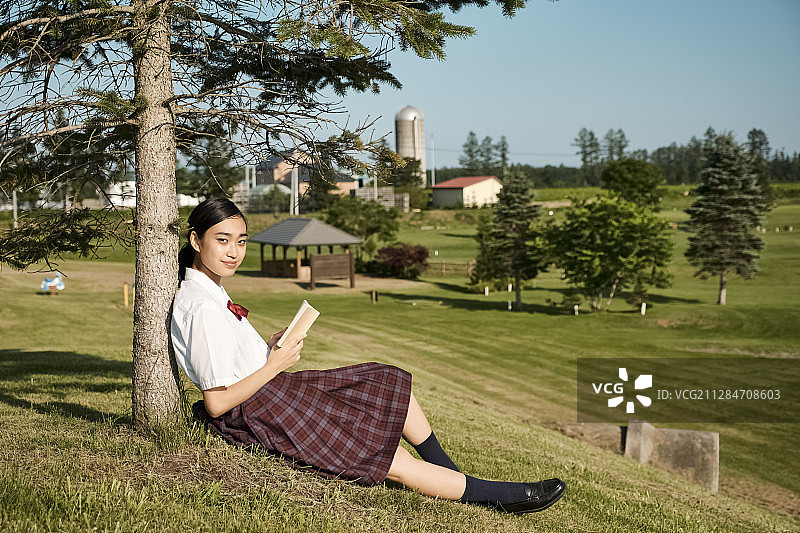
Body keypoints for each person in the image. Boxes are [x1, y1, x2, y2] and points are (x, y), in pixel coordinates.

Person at [170, 198, 566, 514]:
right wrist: (274, 364)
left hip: (272, 389)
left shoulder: (211, 290)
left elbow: (231, 359)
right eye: (222, 240)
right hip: (260, 410)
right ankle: (500, 495)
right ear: (195, 240)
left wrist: (269, 349)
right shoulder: (201, 307)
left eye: (240, 240)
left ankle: (446, 471)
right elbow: (218, 402)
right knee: (378, 451)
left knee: (385, 380)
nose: (234, 251)